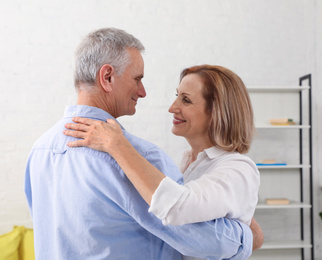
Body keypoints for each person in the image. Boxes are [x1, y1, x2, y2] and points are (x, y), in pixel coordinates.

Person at [24, 28, 259, 260]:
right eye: (137, 79)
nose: (143, 92)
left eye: (185, 99)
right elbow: (207, 240)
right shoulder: (137, 158)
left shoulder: (41, 150)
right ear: (107, 77)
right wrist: (248, 235)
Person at [63, 65, 263, 252]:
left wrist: (117, 144)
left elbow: (176, 208)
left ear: (217, 112)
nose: (172, 107)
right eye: (177, 96)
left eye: (186, 100)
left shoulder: (238, 169)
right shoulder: (187, 161)